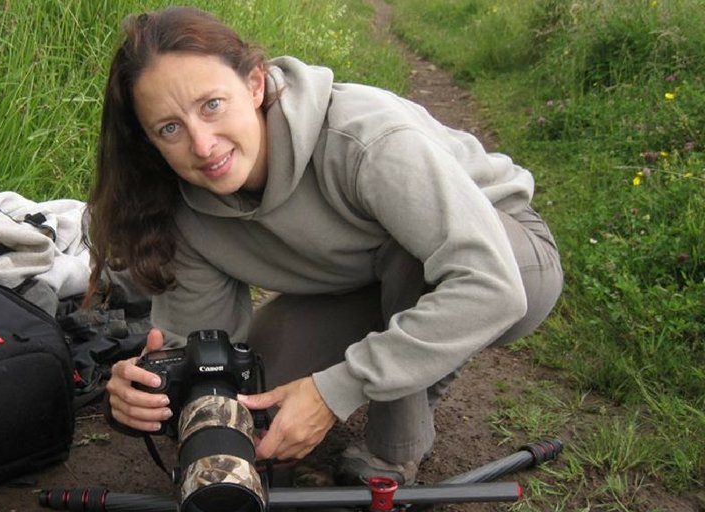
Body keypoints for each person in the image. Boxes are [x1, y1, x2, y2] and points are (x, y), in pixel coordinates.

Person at [85, 6, 562, 486]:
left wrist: (334, 390)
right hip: (360, 282)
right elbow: (203, 349)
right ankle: (404, 360)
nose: (203, 145)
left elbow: (492, 286)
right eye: (169, 128)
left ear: (254, 85)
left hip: (506, 258)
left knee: (409, 256)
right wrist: (143, 396)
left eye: (212, 104)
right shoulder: (180, 209)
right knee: (256, 408)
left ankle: (394, 449)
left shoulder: (365, 138)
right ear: (149, 141)